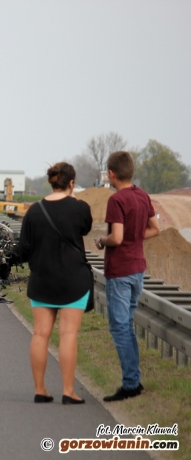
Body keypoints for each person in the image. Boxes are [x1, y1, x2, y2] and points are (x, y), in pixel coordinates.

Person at [18, 162, 92, 405]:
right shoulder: (80, 208)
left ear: (52, 181)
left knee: (40, 333)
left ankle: (40, 389)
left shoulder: (34, 210)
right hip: (73, 281)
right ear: (71, 183)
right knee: (68, 334)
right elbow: (85, 228)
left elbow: (24, 248)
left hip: (42, 279)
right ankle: (69, 391)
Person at [96, 151, 159, 402]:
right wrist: (136, 236)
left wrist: (102, 240)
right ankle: (134, 380)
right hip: (138, 269)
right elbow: (156, 229)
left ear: (111, 174)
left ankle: (131, 383)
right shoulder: (143, 195)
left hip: (120, 271)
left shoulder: (117, 200)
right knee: (127, 325)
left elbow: (117, 238)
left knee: (120, 327)